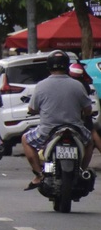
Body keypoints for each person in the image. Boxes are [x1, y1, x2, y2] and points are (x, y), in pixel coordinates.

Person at [22, 50, 95, 191]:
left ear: (49, 66)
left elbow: (32, 109)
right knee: (90, 142)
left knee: (25, 139)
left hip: (47, 131)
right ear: (67, 66)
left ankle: (39, 174)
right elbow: (88, 110)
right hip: (76, 130)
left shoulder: (41, 85)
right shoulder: (77, 85)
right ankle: (82, 170)